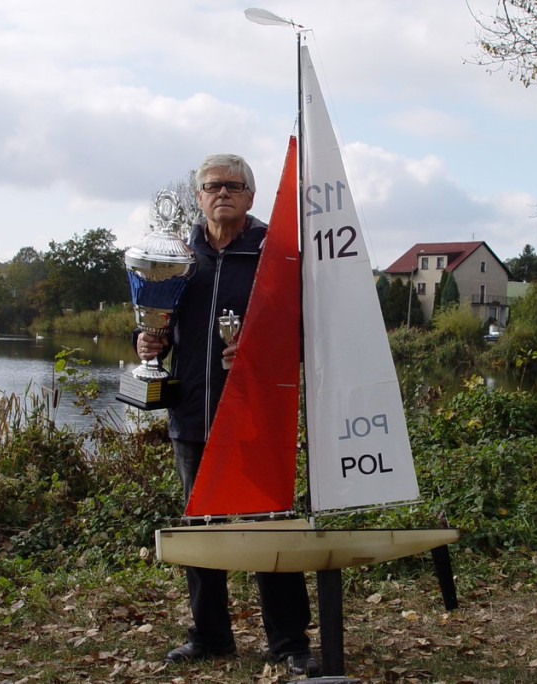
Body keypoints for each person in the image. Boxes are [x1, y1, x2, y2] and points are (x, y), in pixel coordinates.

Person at [136, 153, 317, 676]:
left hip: (256, 417)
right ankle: (210, 635)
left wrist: (263, 351)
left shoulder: (275, 253)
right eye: (213, 186)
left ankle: (288, 642)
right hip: (192, 415)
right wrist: (147, 339)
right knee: (200, 530)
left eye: (234, 186)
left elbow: (307, 331)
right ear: (199, 196)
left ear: (251, 196)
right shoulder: (178, 257)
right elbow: (157, 322)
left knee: (269, 529)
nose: (223, 193)